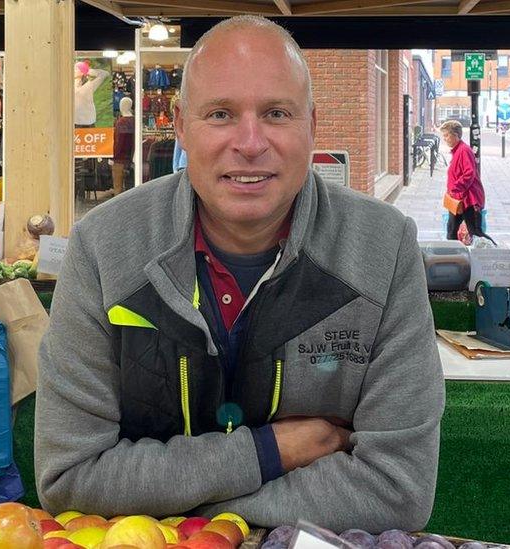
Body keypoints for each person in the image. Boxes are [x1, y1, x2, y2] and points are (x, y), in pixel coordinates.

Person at [35, 16, 444, 532]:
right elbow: (71, 475)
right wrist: (274, 450)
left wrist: (187, 510)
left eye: (276, 113)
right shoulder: (104, 247)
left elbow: (397, 489)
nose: (250, 143)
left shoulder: (383, 250)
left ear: (312, 125)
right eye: (221, 114)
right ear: (181, 126)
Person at [440, 120, 494, 244]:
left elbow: (469, 174)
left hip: (469, 200)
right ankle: (453, 258)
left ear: (456, 135)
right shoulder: (457, 151)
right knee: (451, 232)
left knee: (476, 233)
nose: (445, 138)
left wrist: (455, 188)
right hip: (458, 201)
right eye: (444, 136)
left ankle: (491, 250)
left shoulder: (464, 150)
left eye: (447, 135)